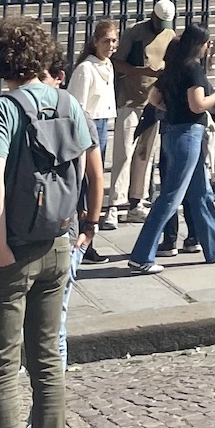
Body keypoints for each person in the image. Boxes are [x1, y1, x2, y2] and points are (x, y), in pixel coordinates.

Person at [0, 18, 99, 428]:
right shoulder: (68, 103)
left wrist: (0, 246)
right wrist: (87, 224)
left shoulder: (4, 110)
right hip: (58, 244)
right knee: (47, 365)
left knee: (3, 369)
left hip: (13, 253)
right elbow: (91, 168)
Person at [128, 24, 215, 272]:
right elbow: (198, 105)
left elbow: (154, 98)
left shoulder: (173, 66)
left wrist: (171, 109)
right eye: (207, 44)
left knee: (201, 192)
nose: (209, 48)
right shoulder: (193, 69)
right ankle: (142, 256)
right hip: (189, 133)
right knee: (171, 196)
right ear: (200, 44)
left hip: (174, 132)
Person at [100, 0, 177, 227]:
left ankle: (137, 202)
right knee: (124, 152)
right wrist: (140, 71)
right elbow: (117, 62)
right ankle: (114, 204)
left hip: (154, 102)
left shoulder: (169, 35)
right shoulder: (134, 33)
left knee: (145, 154)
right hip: (130, 99)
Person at [66, 20, 118, 260]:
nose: (110, 45)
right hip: (88, 127)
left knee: (94, 184)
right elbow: (77, 106)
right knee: (84, 186)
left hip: (102, 124)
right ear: (95, 41)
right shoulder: (86, 69)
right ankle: (80, 237)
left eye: (114, 41)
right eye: (106, 40)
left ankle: (89, 239)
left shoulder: (107, 65)